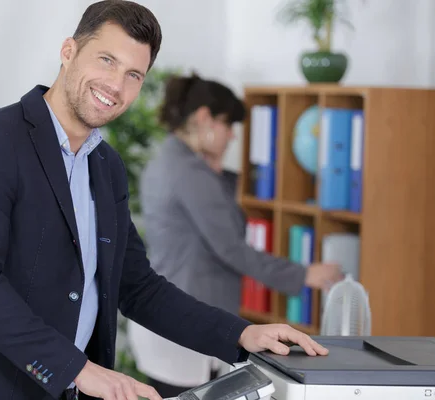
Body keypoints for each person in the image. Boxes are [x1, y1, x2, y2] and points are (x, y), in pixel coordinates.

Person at [0, 2, 331, 400]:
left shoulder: (106, 166)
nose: (116, 85)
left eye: (134, 74)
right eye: (106, 60)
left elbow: (137, 287)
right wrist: (78, 368)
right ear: (68, 51)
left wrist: (240, 335)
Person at [128, 73, 344, 396]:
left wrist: (217, 170)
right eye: (229, 125)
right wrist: (304, 275)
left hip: (164, 324)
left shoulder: (167, 161)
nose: (231, 137)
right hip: (184, 326)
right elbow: (231, 247)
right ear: (204, 118)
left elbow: (214, 213)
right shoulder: (190, 173)